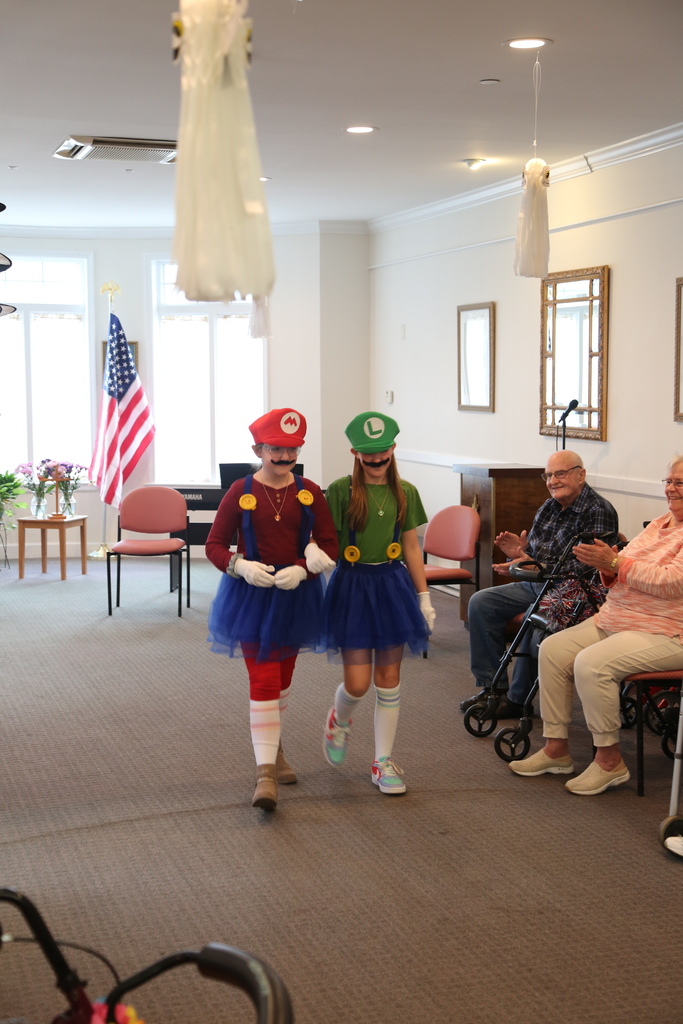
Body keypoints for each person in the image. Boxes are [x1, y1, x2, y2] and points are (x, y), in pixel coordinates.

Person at [509, 459, 683, 795]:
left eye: (680, 483)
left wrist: (616, 562)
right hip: (618, 618)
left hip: (666, 632)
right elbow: (624, 563)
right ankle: (556, 750)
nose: (671, 489)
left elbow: (672, 582)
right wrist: (608, 564)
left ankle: (609, 762)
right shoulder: (660, 523)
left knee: (592, 664)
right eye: (669, 481)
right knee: (553, 649)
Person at [206, 408, 338, 811]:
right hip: (250, 597)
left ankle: (275, 751)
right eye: (275, 450)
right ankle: (265, 775)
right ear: (258, 449)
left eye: (292, 450)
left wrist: (303, 568)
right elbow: (214, 544)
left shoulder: (310, 491)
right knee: (262, 679)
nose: (283, 458)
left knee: (281, 680)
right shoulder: (239, 491)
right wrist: (239, 565)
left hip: (296, 596)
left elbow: (329, 544)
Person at [321, 412, 435, 795]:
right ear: (354, 452)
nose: (375, 460)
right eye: (367, 454)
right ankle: (339, 719)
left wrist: (424, 596)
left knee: (388, 680)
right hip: (352, 586)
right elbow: (325, 543)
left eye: (382, 453)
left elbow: (412, 546)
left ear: (393, 450)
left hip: (391, 585)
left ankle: (382, 762)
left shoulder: (406, 492)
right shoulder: (340, 490)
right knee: (357, 684)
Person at [460, 450, 619, 718]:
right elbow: (535, 554)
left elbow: (586, 567)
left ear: (581, 475)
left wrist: (533, 567)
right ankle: (492, 688)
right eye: (548, 475)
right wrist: (520, 557)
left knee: (534, 617)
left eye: (561, 473)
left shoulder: (598, 510)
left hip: (573, 593)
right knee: (481, 602)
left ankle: (516, 700)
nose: (553, 481)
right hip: (538, 583)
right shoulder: (548, 507)